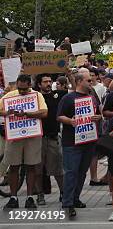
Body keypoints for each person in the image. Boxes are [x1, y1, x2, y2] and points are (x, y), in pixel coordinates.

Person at [56, 68, 103, 218]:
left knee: (82, 172)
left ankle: (75, 198)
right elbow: (59, 116)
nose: (91, 82)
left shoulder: (92, 97)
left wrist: (98, 117)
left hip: (89, 141)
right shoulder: (68, 98)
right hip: (72, 143)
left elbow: (98, 113)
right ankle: (68, 202)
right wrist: (70, 121)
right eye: (88, 80)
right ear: (79, 82)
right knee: (71, 172)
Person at [0, 74, 48, 210]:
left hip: (32, 135)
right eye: (19, 88)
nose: (21, 92)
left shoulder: (37, 95)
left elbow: (44, 113)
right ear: (17, 84)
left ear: (30, 86)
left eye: (24, 89)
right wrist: (6, 112)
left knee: (31, 166)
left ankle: (29, 197)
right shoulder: (10, 95)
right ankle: (13, 198)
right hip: (15, 135)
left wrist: (27, 114)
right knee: (13, 167)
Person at [35, 74, 67, 206]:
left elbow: (76, 89)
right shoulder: (33, 97)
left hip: (53, 137)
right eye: (45, 81)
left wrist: (69, 74)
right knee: (37, 169)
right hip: (37, 138)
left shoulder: (57, 95)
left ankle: (63, 193)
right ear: (38, 84)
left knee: (58, 169)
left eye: (50, 81)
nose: (48, 83)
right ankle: (39, 195)